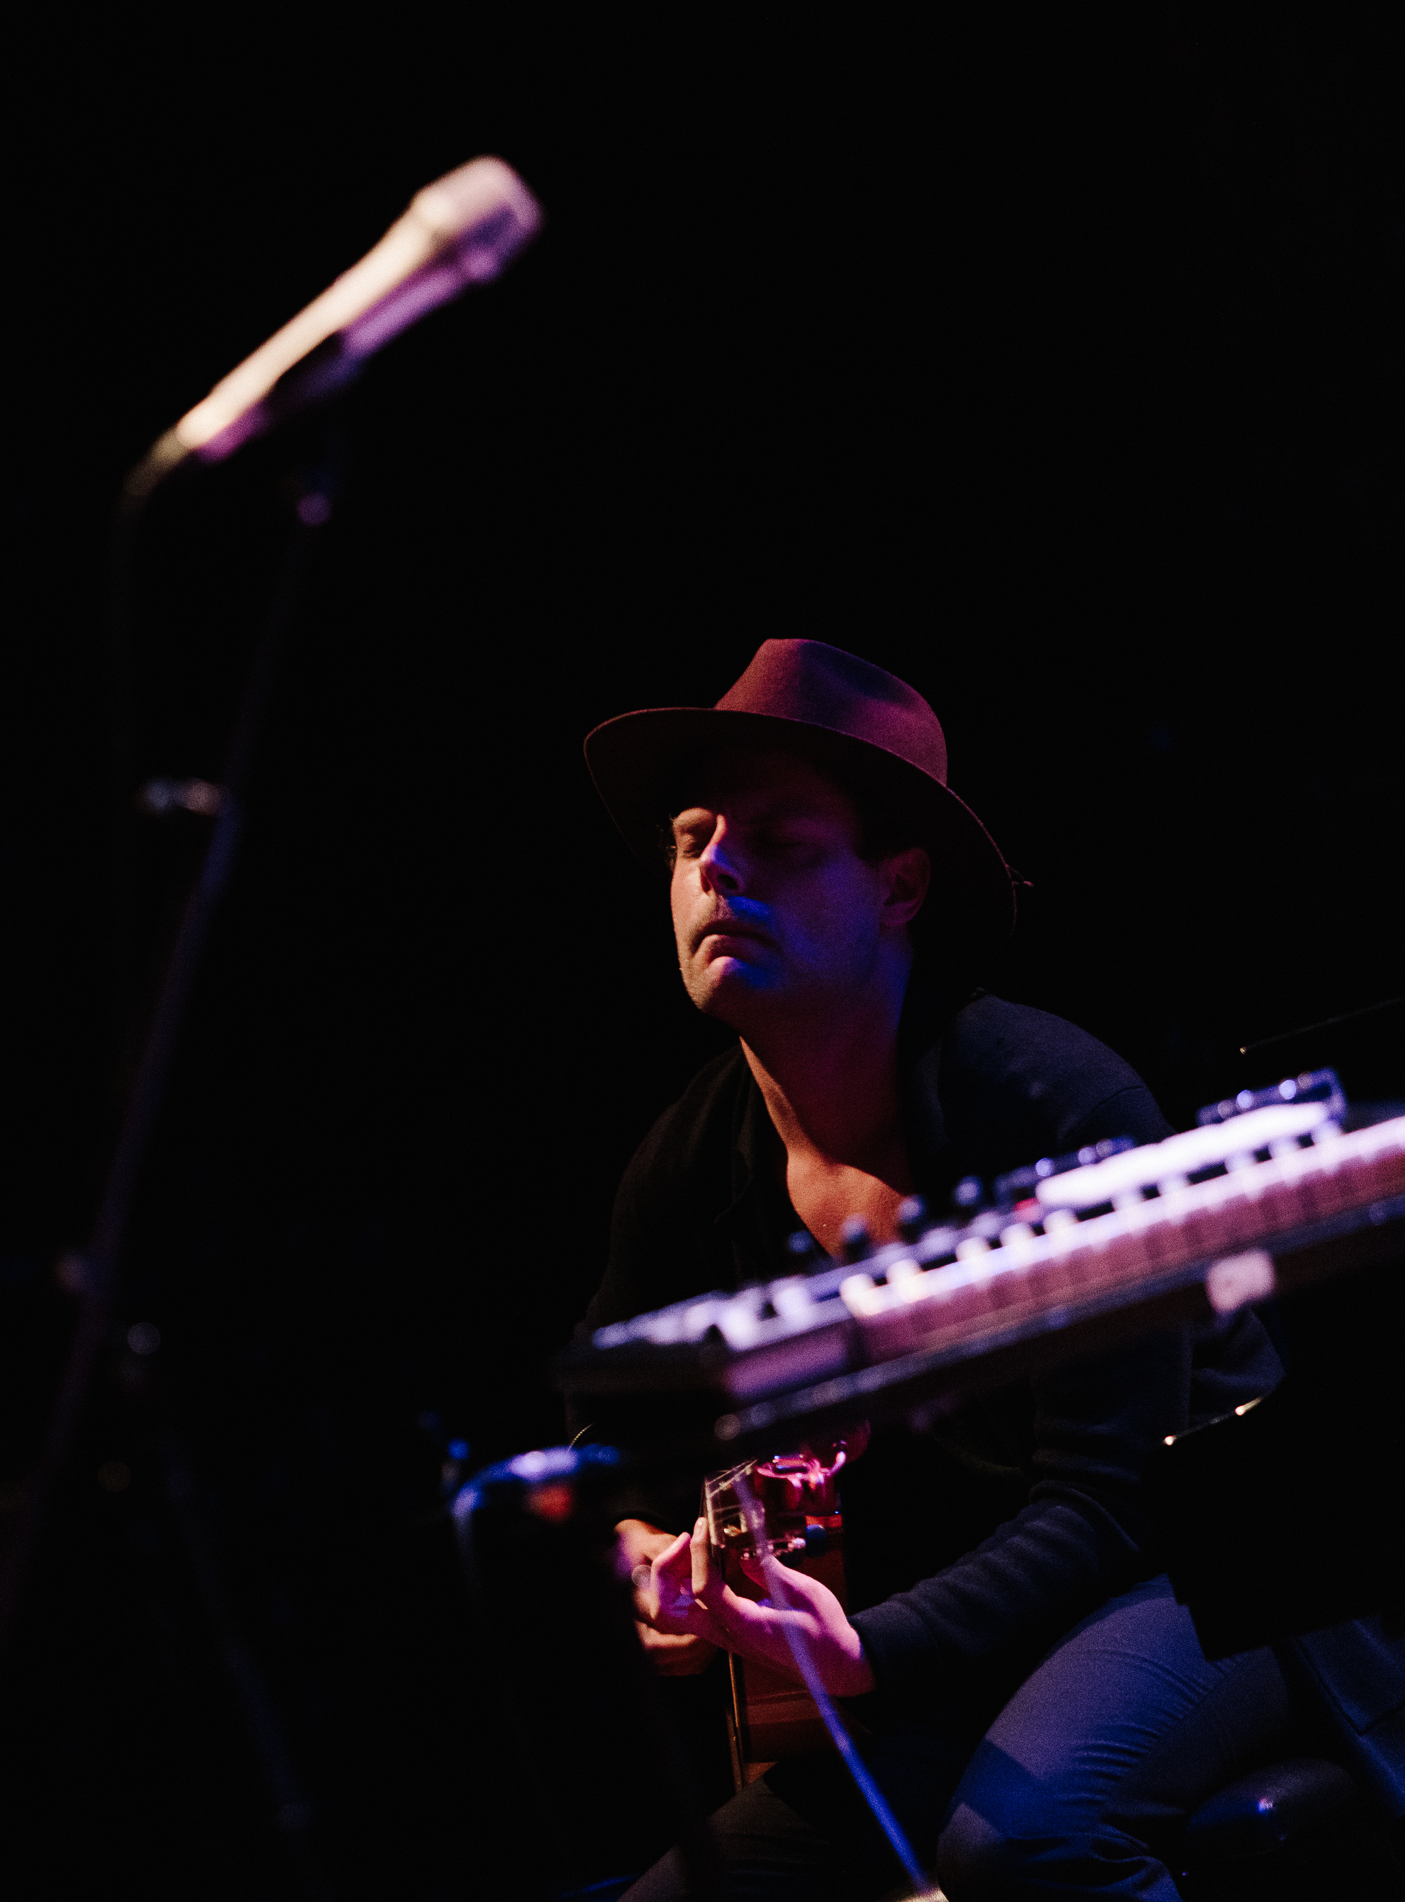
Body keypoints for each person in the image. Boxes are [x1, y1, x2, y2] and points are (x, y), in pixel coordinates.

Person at [574, 639, 1293, 1899]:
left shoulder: (1061, 1113)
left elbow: (1108, 1501)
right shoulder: (687, 1164)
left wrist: (871, 1651)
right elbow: (607, 1446)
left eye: (780, 841)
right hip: (965, 1624)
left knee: (1022, 1841)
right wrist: (638, 1555)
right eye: (693, 840)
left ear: (900, 887)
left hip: (1207, 1569)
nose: (717, 868)